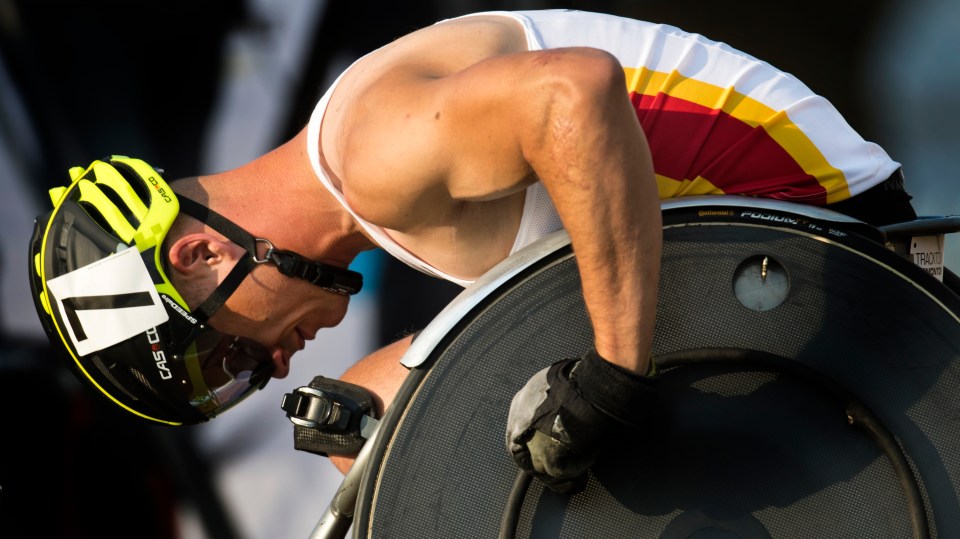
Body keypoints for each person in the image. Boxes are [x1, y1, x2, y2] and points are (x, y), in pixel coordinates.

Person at [28, 9, 916, 494]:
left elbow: (574, 93)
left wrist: (613, 372)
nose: (261, 368)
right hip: (744, 237)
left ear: (195, 255)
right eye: (233, 380)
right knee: (364, 420)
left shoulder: (371, 151)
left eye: (226, 354)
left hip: (813, 217)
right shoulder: (365, 186)